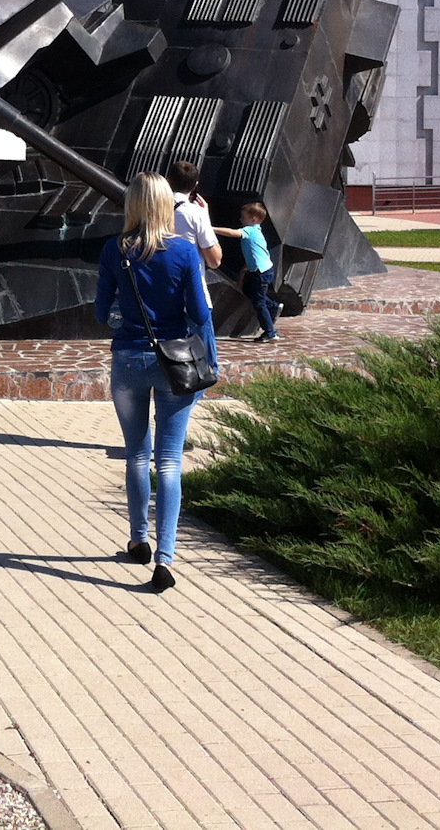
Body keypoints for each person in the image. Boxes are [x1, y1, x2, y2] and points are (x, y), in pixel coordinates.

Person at [94, 172, 219, 592]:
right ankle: (165, 558)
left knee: (135, 453)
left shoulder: (115, 249)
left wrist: (123, 318)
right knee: (169, 461)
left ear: (131, 204)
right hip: (174, 364)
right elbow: (201, 314)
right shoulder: (183, 252)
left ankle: (137, 539)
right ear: (167, 205)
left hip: (127, 360)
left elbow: (99, 312)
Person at [219, 201, 278, 342]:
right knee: (250, 292)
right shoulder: (257, 231)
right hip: (262, 269)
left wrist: (211, 229)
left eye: (243, 217)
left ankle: (270, 332)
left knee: (259, 303)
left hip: (261, 271)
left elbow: (232, 233)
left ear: (254, 219)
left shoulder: (250, 230)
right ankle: (273, 306)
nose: (241, 220)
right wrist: (243, 272)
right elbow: (253, 254)